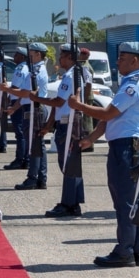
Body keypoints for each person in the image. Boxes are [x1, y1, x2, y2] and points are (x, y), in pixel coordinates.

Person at [71, 42, 139, 268]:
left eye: (122, 57)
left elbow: (109, 112)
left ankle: (125, 250)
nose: (118, 61)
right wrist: (93, 137)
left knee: (125, 201)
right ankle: (138, 249)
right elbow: (112, 119)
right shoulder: (131, 82)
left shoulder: (132, 86)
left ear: (135, 60)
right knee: (133, 199)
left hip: (127, 146)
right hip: (128, 144)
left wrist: (79, 106)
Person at [36, 44, 87, 218]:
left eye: (63, 56)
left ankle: (69, 203)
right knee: (70, 164)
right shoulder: (76, 73)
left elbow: (59, 102)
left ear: (71, 58)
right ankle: (73, 202)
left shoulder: (71, 75)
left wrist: (37, 98)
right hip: (67, 123)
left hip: (70, 125)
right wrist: (49, 124)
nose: (60, 59)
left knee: (68, 164)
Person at [2, 42, 50, 190]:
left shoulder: (37, 70)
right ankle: (40, 177)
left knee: (34, 145)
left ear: (38, 54)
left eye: (32, 52)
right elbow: (25, 96)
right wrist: (15, 107)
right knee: (37, 144)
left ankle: (33, 178)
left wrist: (8, 89)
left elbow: (26, 93)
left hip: (34, 109)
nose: (29, 55)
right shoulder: (33, 69)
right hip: (30, 107)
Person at [2, 47, 29, 169]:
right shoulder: (27, 67)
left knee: (20, 132)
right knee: (22, 132)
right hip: (20, 101)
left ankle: (20, 159)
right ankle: (24, 158)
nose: (14, 56)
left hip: (17, 101)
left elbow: (15, 86)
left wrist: (8, 93)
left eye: (17, 54)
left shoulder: (20, 68)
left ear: (22, 57)